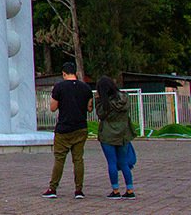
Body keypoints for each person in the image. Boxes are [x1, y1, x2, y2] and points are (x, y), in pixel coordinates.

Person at [43, 61, 93, 199]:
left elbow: (53, 107)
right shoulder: (86, 88)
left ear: (63, 74)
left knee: (59, 159)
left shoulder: (59, 87)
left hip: (64, 128)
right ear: (76, 73)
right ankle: (79, 190)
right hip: (81, 127)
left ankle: (53, 188)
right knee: (78, 160)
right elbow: (90, 108)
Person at [96, 76, 136, 200]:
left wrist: (98, 101)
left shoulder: (105, 103)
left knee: (112, 163)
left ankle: (116, 190)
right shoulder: (124, 98)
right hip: (123, 135)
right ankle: (130, 190)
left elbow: (101, 115)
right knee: (124, 163)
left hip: (108, 135)